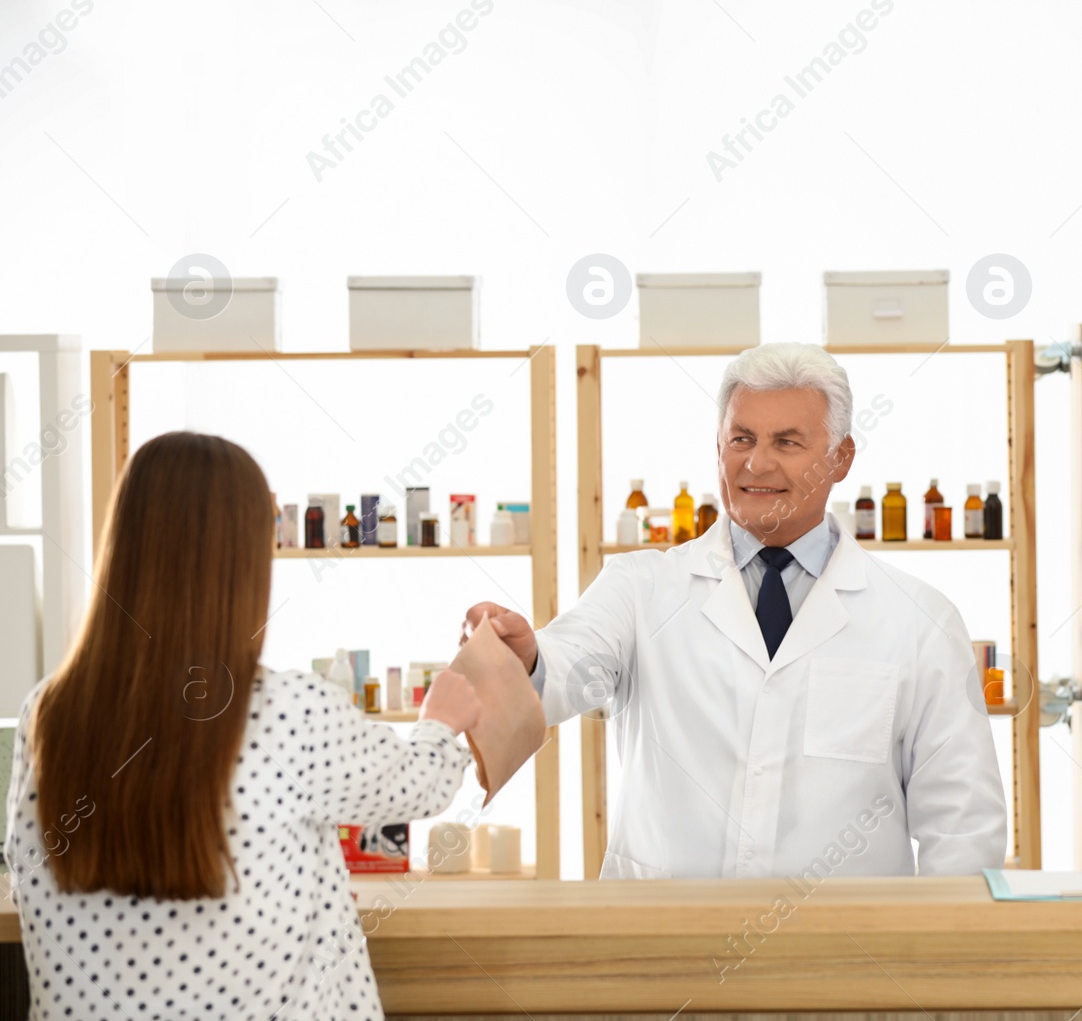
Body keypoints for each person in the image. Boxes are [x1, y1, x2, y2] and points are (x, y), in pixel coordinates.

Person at [465, 342, 1006, 878]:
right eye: (740, 439)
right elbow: (568, 668)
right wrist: (531, 657)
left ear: (841, 458)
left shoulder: (921, 620)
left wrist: (933, 955)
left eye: (787, 442)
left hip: (844, 952)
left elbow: (962, 826)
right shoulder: (641, 588)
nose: (756, 462)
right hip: (667, 941)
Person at [4, 432, 485, 1020]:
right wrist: (441, 719)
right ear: (245, 566)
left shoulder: (47, 713)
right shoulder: (292, 713)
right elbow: (419, 786)